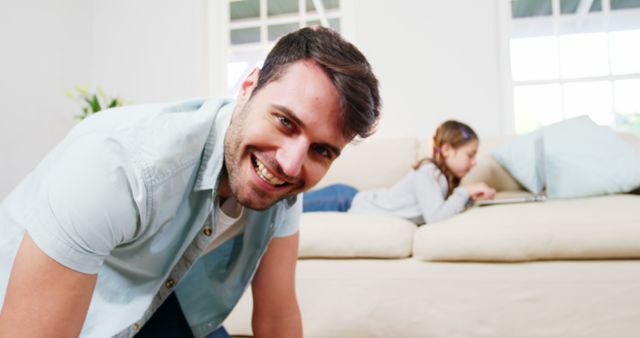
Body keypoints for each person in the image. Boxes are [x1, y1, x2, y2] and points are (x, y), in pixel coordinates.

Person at [0, 26, 381, 338]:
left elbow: (277, 318)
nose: (290, 163)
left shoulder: (284, 193)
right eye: (285, 122)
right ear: (248, 87)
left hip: (154, 309)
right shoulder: (117, 167)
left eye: (322, 150)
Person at [303, 120, 495, 224]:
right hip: (344, 199)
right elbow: (436, 217)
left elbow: (442, 211)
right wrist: (466, 192)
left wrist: (469, 198)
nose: (474, 162)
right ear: (446, 150)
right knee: (288, 204)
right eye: (470, 155)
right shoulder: (430, 172)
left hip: (350, 198)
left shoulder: (442, 179)